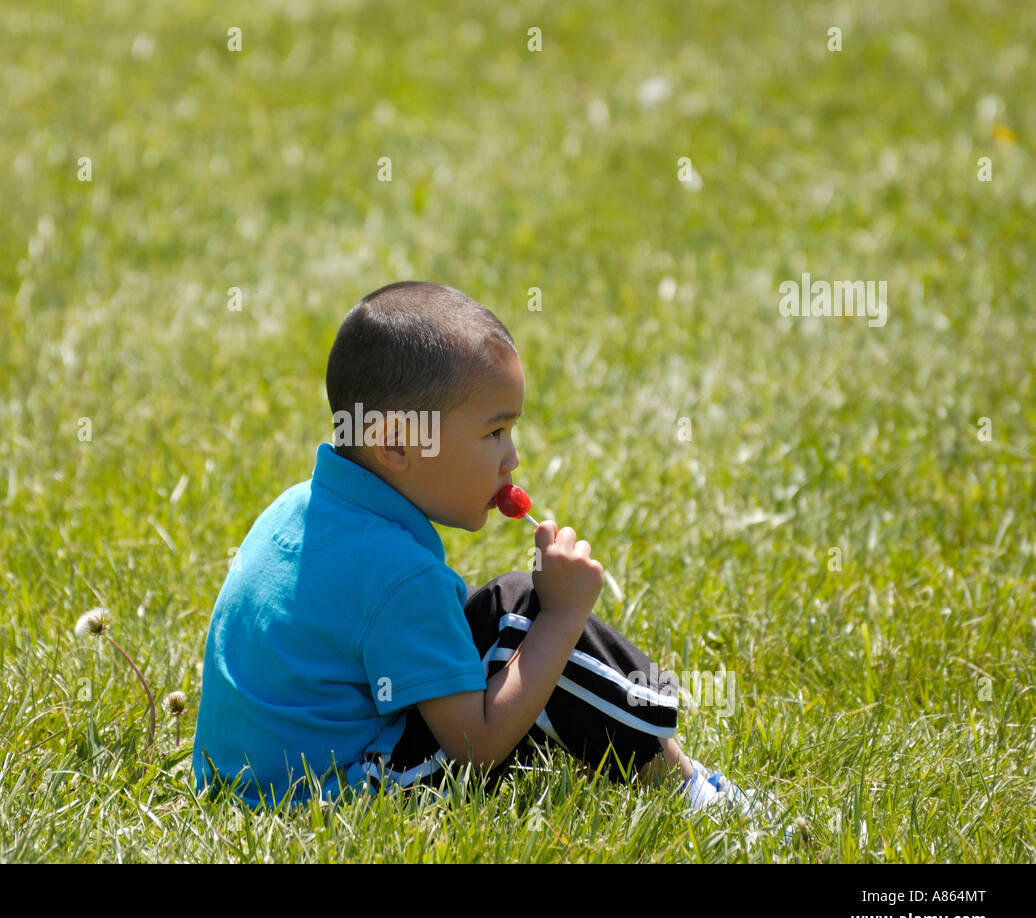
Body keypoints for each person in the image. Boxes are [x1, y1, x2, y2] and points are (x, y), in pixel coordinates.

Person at [191, 281, 764, 816]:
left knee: (499, 615)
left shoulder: (301, 507)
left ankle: (669, 765)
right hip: (339, 795)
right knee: (526, 623)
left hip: (243, 783)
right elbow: (477, 749)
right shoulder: (399, 576)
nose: (510, 458)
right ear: (396, 442)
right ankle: (692, 791)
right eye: (494, 433)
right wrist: (562, 615)